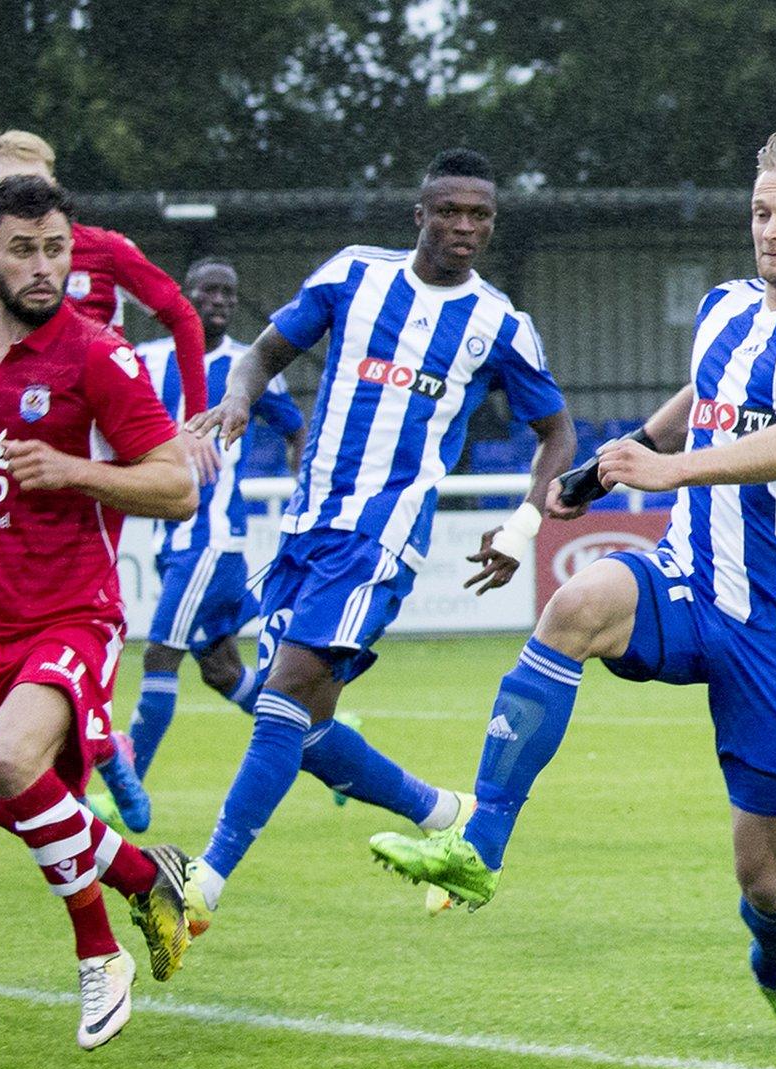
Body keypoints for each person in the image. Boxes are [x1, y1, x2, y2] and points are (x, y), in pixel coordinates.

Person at [369, 129, 776, 1042]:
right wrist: (622, 461)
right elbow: (701, 398)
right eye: (761, 212)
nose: (770, 230)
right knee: (576, 606)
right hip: (688, 579)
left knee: (764, 877)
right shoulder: (727, 306)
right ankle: (478, 847)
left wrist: (671, 474)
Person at [177, 148, 579, 933]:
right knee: (300, 719)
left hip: (381, 534)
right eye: (449, 211)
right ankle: (448, 812)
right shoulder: (354, 274)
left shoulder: (500, 323)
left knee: (283, 695)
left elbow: (557, 434)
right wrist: (233, 398)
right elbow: (264, 354)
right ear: (419, 215)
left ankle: (205, 880)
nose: (464, 226)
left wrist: (525, 523)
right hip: (304, 528)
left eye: (480, 216)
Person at [0, 176, 196, 1048]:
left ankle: (99, 954)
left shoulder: (96, 355)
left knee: (10, 761)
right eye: (24, 250)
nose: (45, 268)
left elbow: (176, 484)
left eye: (56, 249)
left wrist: (75, 471)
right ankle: (138, 876)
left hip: (67, 614)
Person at [110, 258, 309, 829]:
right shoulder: (146, 361)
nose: (218, 301)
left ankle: (129, 790)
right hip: (171, 535)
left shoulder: (248, 370)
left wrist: (306, 492)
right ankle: (321, 739)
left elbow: (298, 430)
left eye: (228, 293)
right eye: (206, 291)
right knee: (221, 670)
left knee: (158, 656)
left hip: (212, 538)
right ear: (184, 298)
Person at [0, 131, 208, 411]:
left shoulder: (106, 249)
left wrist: (195, 420)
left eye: (36, 188)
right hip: (8, 417)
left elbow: (182, 317)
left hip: (95, 413)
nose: (25, 202)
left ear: (53, 187)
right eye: (7, 189)